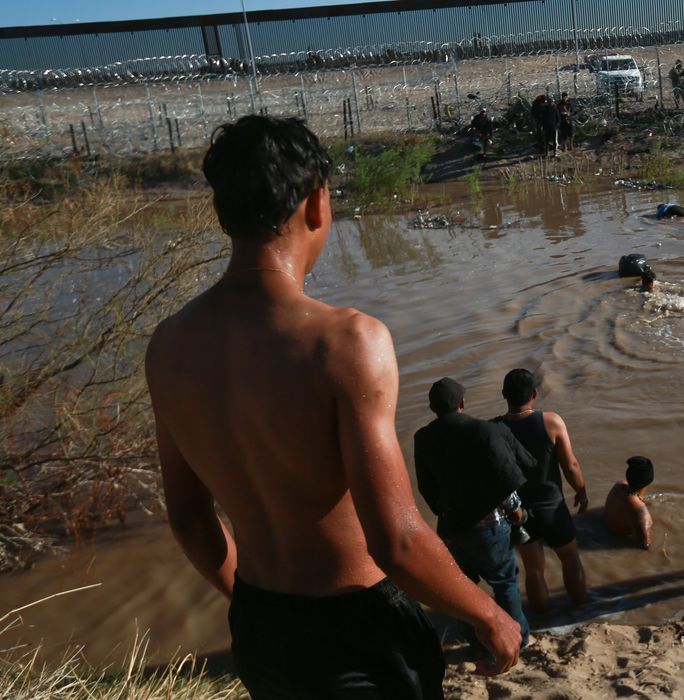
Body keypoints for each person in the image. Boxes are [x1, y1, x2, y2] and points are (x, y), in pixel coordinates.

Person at [144, 115, 520, 699]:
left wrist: (253, 603)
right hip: (358, 632)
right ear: (317, 202)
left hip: (260, 626)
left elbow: (191, 522)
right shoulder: (345, 342)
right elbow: (395, 540)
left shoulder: (167, 345)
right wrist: (489, 616)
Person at [413, 378, 536, 651]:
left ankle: (477, 644)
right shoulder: (484, 431)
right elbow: (502, 475)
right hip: (489, 527)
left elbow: (426, 486)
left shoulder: (422, 438)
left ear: (433, 408)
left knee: (464, 592)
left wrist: (443, 513)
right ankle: (521, 638)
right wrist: (515, 510)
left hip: (452, 528)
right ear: (463, 403)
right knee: (505, 584)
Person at [495, 368, 590, 612]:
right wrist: (581, 491)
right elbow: (571, 465)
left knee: (534, 571)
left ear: (504, 394)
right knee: (569, 558)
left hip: (519, 513)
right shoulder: (551, 422)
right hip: (553, 507)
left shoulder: (494, 429)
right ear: (535, 394)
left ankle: (546, 622)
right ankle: (582, 609)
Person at [604, 456, 655, 549]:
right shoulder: (641, 513)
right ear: (647, 483)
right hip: (616, 540)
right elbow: (644, 546)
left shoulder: (619, 485)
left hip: (606, 529)